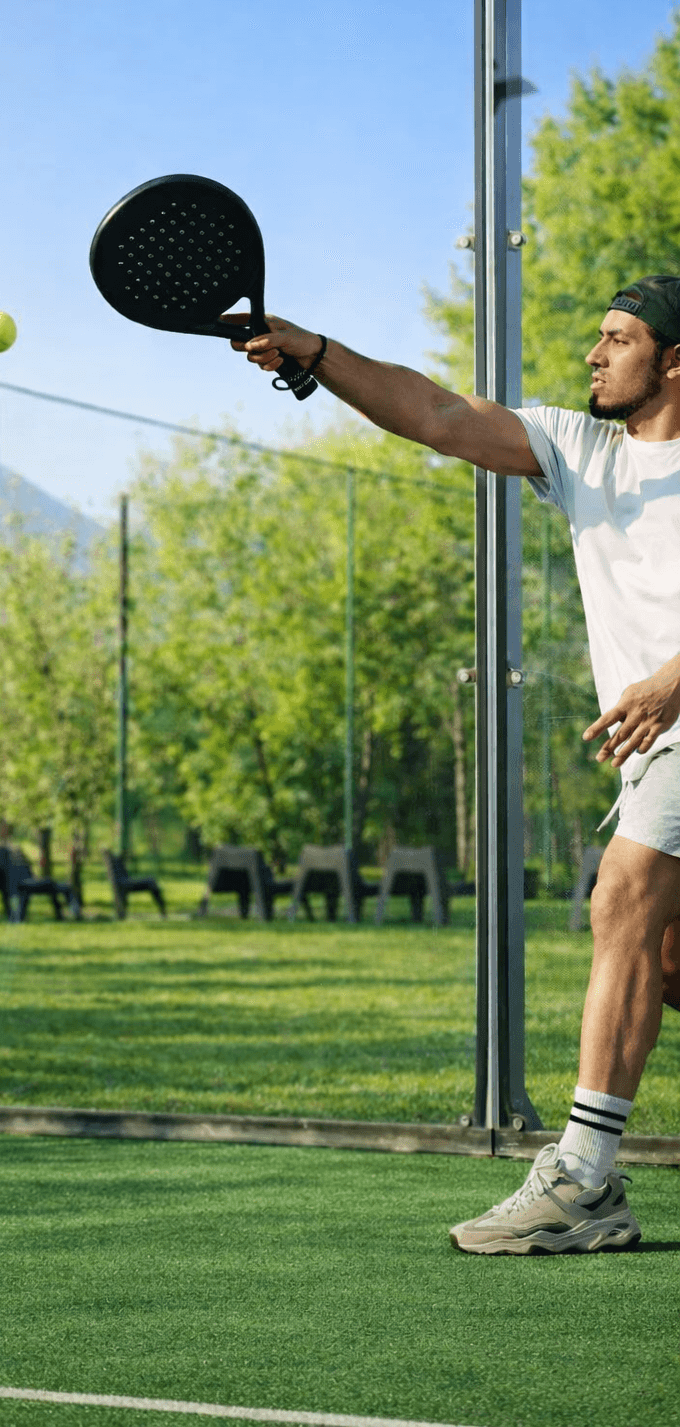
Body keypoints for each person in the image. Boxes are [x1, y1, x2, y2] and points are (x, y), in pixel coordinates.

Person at [230, 275, 680, 1255]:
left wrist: (670, 682)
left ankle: (584, 1180)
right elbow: (434, 412)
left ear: (674, 360)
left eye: (619, 338)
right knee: (664, 960)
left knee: (622, 897)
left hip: (675, 723)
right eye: (596, 336)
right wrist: (312, 351)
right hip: (654, 742)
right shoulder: (579, 447)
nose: (595, 353)